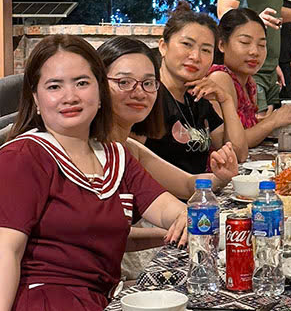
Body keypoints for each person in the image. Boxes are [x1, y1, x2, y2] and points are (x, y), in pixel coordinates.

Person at [0, 35, 189, 311]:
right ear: (36, 99)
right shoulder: (23, 156)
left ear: (100, 92)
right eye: (54, 86)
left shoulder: (115, 155)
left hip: (100, 306)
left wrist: (187, 216)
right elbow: (5, 250)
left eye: (82, 83)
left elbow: (170, 209)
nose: (70, 96)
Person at [98, 37, 239, 201]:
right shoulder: (88, 151)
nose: (139, 93)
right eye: (124, 82)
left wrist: (221, 177)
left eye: (148, 83)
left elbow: (186, 185)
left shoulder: (130, 148)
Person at [133, 4, 246, 173]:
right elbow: (134, 165)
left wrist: (226, 100)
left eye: (206, 50)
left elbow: (238, 154)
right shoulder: (148, 96)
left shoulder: (196, 98)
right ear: (163, 46)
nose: (195, 56)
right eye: (187, 44)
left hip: (199, 189)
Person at [207, 8, 291, 147]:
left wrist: (282, 117)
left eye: (262, 45)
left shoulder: (248, 81)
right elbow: (231, 145)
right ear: (221, 45)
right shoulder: (220, 78)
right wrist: (273, 121)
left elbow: (246, 130)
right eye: (245, 42)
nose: (255, 52)